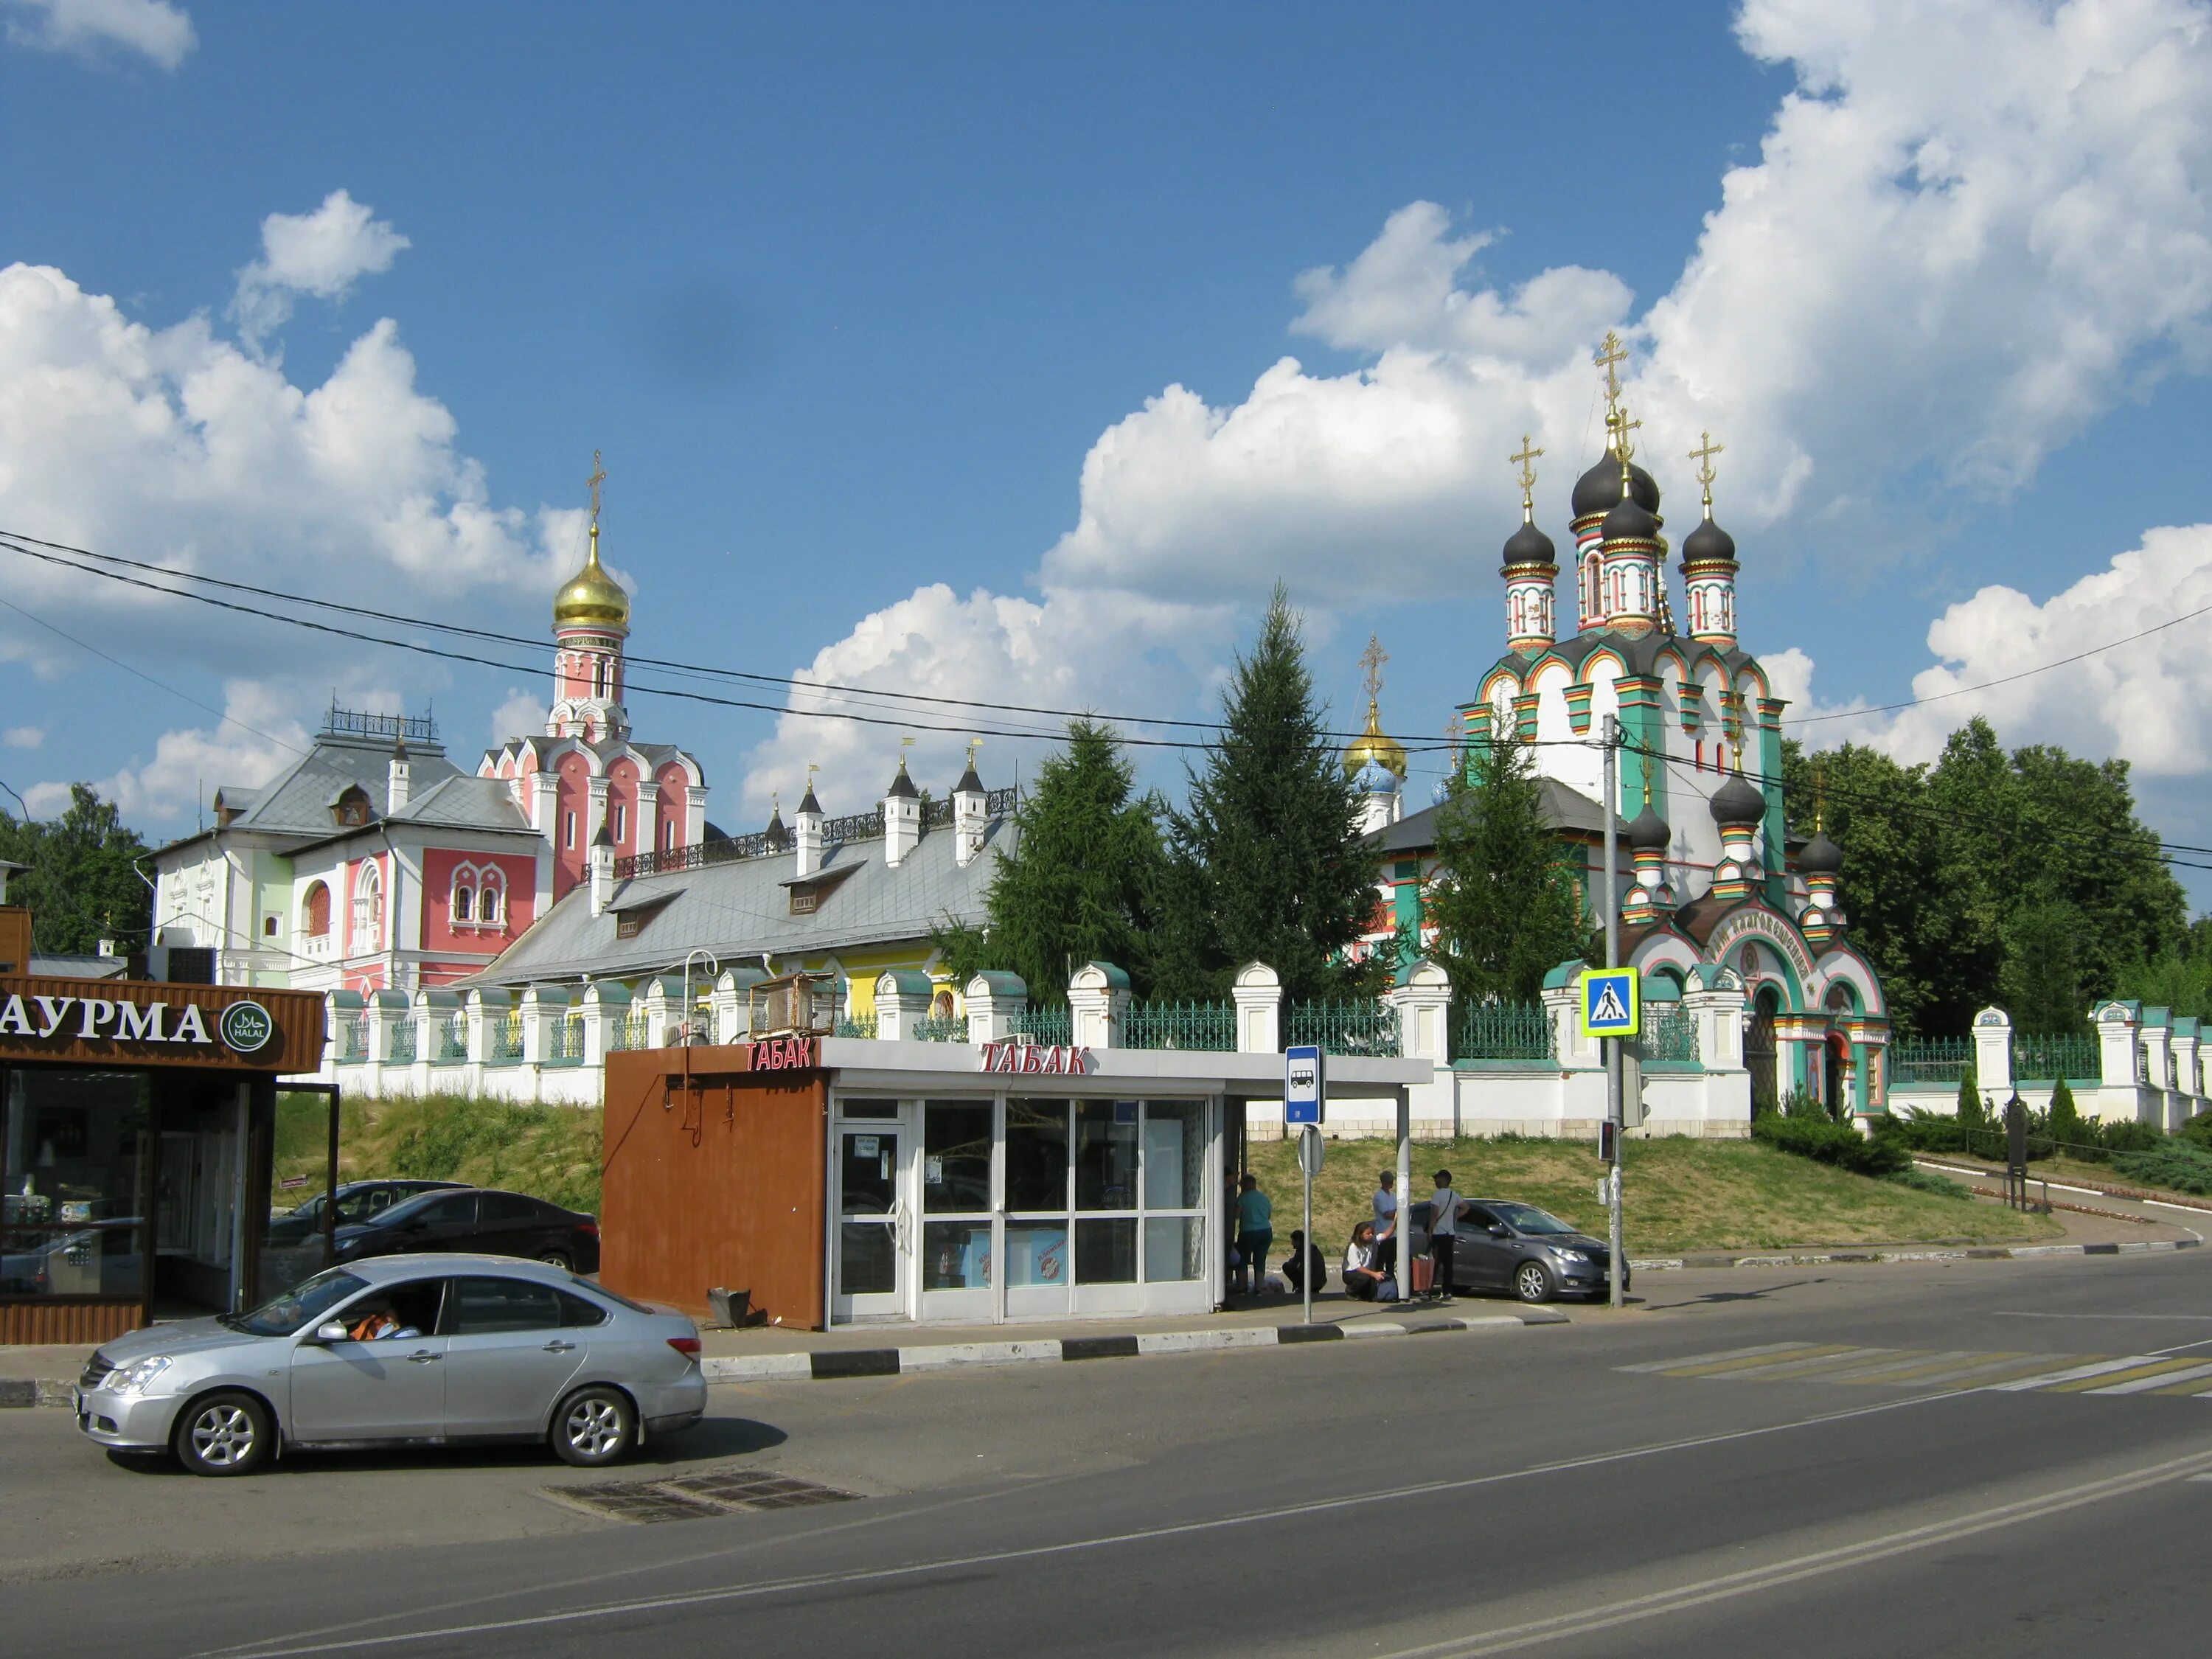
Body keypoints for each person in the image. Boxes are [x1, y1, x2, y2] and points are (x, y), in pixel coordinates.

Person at [1427, 1169, 1466, 1302]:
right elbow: (1466, 1207)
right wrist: (1454, 1217)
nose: (1435, 1181)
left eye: (1436, 1179)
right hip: (1450, 1233)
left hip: (1439, 1233)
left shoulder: (1437, 1195)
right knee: (1448, 1264)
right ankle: (1447, 1290)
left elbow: (1434, 1214)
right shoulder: (1453, 1195)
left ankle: (1429, 1290)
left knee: (1435, 1263)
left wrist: (1430, 1231)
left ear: (1443, 1180)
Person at [1235, 1173, 1274, 1296]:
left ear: (1244, 1186)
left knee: (1241, 1259)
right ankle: (1259, 1288)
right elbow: (1268, 1215)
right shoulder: (1264, 1197)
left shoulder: (1243, 1198)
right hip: (1265, 1231)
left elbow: (1236, 1215)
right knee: (1260, 1259)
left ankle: (1242, 1288)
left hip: (1248, 1232)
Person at [1342, 1221, 1391, 1301]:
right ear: (1361, 1235)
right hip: (1351, 1273)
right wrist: (1374, 1274)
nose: (1371, 1235)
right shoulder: (1353, 1247)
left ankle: (1362, 1293)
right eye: (1368, 1234)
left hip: (1367, 1272)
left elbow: (1385, 1235)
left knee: (1370, 1294)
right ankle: (1350, 1291)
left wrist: (1395, 1223)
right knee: (1364, 1278)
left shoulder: (1372, 1242)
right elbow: (1358, 1268)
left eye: (1372, 1233)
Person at [1280, 1229, 1327, 1296]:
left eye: (1293, 1241)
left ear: (1298, 1240)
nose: (1292, 1243)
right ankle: (1305, 1287)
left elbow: (1293, 1264)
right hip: (1321, 1282)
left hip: (1312, 1282)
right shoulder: (1312, 1248)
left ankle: (1301, 1287)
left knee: (1286, 1266)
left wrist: (1291, 1261)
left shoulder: (1302, 1249)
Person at [1372, 1170, 1399, 1279]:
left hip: (1393, 1234)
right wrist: (1398, 1213)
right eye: (1389, 1181)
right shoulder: (1379, 1196)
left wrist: (1397, 1213)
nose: (1391, 1183)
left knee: (1391, 1262)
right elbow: (1387, 1214)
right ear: (1383, 1182)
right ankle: (1378, 1283)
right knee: (1381, 1260)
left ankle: (1390, 1282)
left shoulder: (1393, 1195)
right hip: (1383, 1232)